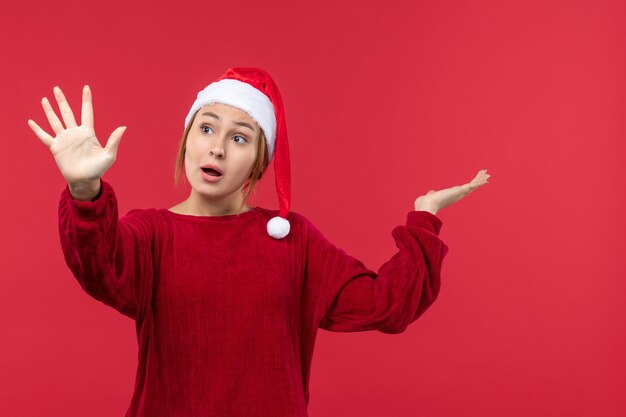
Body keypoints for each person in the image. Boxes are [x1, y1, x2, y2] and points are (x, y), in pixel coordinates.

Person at [27, 67, 490, 417]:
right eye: (206, 128)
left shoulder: (293, 242)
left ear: (257, 162)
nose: (217, 148)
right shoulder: (151, 234)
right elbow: (100, 267)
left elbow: (385, 305)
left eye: (240, 137)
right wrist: (84, 192)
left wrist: (424, 217)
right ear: (187, 139)